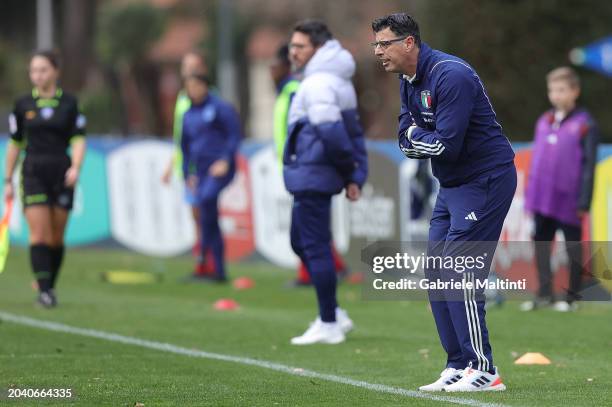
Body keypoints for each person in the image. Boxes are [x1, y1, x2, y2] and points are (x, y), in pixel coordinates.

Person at [372, 13, 515, 391]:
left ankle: (484, 369)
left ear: (408, 43)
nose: (378, 52)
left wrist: (417, 137)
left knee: (459, 269)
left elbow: (444, 146)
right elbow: (404, 135)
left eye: (384, 44)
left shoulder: (452, 75)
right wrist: (418, 136)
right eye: (375, 45)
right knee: (436, 271)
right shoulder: (408, 79)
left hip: (485, 180)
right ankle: (458, 364)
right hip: (450, 185)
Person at [284, 20, 368, 345]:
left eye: (299, 46)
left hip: (313, 175)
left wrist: (350, 173)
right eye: (292, 46)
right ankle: (333, 309)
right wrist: (352, 173)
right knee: (299, 242)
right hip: (311, 173)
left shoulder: (319, 81)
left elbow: (333, 132)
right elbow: (353, 133)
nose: (293, 52)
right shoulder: (329, 78)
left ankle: (329, 321)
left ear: (318, 49)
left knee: (314, 246)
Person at [4, 50, 86, 308]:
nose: (37, 75)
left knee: (56, 237)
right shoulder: (22, 104)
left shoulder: (70, 103)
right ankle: (45, 291)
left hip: (61, 171)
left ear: (55, 72)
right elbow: (15, 143)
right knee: (39, 234)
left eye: (43, 70)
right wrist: (7, 179)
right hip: (33, 173)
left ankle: (49, 284)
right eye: (33, 71)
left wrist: (76, 166)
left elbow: (79, 139)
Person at [270, 43, 349, 287]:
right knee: (309, 228)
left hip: (307, 167)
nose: (270, 70)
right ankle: (331, 269)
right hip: (299, 167)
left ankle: (315, 276)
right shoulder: (289, 90)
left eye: (274, 65)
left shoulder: (297, 90)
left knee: (306, 229)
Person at [522, 67, 598, 312]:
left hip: (570, 199)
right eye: (552, 90)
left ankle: (571, 298)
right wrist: (530, 195)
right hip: (543, 197)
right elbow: (537, 160)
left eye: (561, 89)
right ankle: (545, 293)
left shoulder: (585, 124)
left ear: (575, 91)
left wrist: (583, 200)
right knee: (542, 244)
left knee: (573, 248)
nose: (556, 95)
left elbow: (588, 165)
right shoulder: (544, 121)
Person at [180, 73, 242, 282]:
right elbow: (185, 146)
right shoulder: (188, 114)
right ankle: (211, 267)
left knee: (206, 201)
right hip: (200, 171)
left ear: (206, 86)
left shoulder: (220, 108)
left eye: (196, 85)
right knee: (205, 214)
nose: (193, 89)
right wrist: (187, 173)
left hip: (219, 168)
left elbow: (234, 135)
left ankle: (214, 266)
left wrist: (225, 159)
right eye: (189, 86)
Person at [161, 51, 214, 279]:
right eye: (185, 66)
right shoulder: (183, 98)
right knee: (196, 217)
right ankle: (201, 261)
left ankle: (210, 262)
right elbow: (180, 137)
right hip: (187, 165)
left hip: (202, 165)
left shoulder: (209, 99)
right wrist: (171, 164)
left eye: (193, 66)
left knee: (204, 214)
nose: (188, 70)